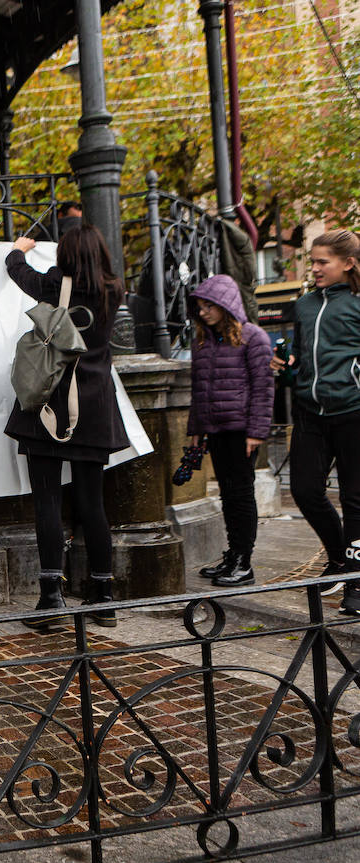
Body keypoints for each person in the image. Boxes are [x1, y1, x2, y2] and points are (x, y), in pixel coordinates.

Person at [5, 227, 130, 630]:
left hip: (50, 405)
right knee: (93, 503)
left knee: (47, 502)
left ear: (67, 254)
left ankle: (51, 597)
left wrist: (18, 251)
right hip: (94, 408)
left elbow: (19, 273)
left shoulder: (57, 284)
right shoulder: (115, 290)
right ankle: (103, 596)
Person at [271, 229, 360, 614]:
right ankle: (340, 558)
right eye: (313, 261)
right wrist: (286, 368)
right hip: (310, 412)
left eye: (323, 261)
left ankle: (356, 581)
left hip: (354, 411)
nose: (315, 268)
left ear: (348, 263)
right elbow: (300, 358)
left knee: (356, 499)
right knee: (306, 491)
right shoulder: (305, 304)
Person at [186, 274, 274, 587]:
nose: (204, 311)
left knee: (241, 494)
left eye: (209, 305)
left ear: (227, 304)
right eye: (199, 306)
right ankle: (233, 554)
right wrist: (196, 429)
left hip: (242, 431)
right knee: (227, 494)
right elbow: (198, 390)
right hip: (216, 430)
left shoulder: (254, 337)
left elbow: (263, 389)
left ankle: (244, 561)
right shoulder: (203, 342)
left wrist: (256, 433)